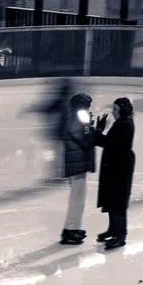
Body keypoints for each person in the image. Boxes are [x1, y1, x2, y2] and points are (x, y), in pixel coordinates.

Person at [95, 97, 136, 248]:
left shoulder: (124, 125)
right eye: (113, 109)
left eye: (115, 110)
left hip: (120, 167)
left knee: (118, 202)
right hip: (115, 166)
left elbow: (107, 143)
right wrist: (99, 130)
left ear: (123, 110)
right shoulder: (121, 123)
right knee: (112, 199)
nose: (113, 112)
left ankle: (120, 235)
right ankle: (113, 229)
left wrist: (98, 130)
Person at [57, 91, 98, 244]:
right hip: (77, 165)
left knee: (78, 199)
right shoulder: (76, 119)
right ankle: (69, 231)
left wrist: (90, 127)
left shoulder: (78, 119)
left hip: (78, 164)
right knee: (77, 199)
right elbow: (86, 142)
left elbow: (84, 135)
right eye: (87, 106)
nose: (89, 108)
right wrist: (93, 129)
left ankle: (73, 228)